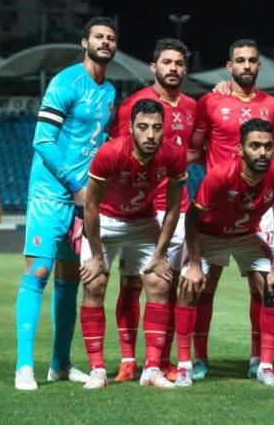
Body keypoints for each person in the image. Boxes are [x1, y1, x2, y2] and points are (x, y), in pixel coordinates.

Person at [15, 16, 118, 391]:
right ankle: (24, 366)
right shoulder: (65, 82)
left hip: (82, 200)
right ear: (84, 42)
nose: (105, 42)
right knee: (37, 274)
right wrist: (75, 185)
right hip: (50, 194)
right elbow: (42, 141)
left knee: (70, 282)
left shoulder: (110, 92)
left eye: (110, 38)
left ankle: (59, 364)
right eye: (98, 37)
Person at [175, 119, 274, 387]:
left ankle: (265, 366)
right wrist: (194, 264)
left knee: (273, 289)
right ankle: (186, 365)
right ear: (240, 150)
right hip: (208, 235)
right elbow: (191, 220)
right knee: (189, 288)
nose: (262, 152)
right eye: (255, 146)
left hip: (245, 236)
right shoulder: (221, 174)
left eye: (268, 146)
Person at [78, 99, 188, 389]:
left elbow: (173, 208)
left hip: (143, 221)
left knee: (160, 283)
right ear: (130, 128)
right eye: (143, 127)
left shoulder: (173, 154)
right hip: (105, 221)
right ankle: (97, 370)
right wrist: (96, 256)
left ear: (164, 129)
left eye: (156, 128)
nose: (150, 134)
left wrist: (161, 254)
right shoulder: (110, 152)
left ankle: (151, 369)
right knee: (94, 284)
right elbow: (91, 206)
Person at [187, 39, 274, 380]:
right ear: (229, 66)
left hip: (258, 206)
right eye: (240, 60)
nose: (246, 65)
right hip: (217, 203)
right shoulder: (211, 101)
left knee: (263, 285)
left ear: (259, 66)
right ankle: (200, 359)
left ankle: (258, 359)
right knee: (204, 285)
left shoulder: (272, 104)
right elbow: (194, 150)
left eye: (252, 60)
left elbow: (273, 152)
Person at [107, 38, 196, 382]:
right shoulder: (133, 105)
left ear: (186, 69)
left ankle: (159, 360)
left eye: (179, 63)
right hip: (140, 210)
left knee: (166, 288)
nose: (173, 68)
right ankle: (128, 360)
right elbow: (120, 152)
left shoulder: (192, 106)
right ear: (153, 66)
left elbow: (195, 149)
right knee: (131, 283)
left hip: (177, 209)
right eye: (167, 62)